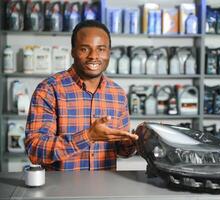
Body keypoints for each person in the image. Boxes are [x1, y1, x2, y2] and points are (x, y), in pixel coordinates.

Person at [25, 20, 138, 171]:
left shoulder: (118, 94)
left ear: (109, 52)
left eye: (101, 49)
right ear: (72, 51)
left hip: (106, 190)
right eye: (85, 49)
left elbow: (121, 151)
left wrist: (136, 141)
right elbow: (35, 150)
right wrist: (88, 136)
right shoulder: (49, 89)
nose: (93, 56)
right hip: (59, 192)